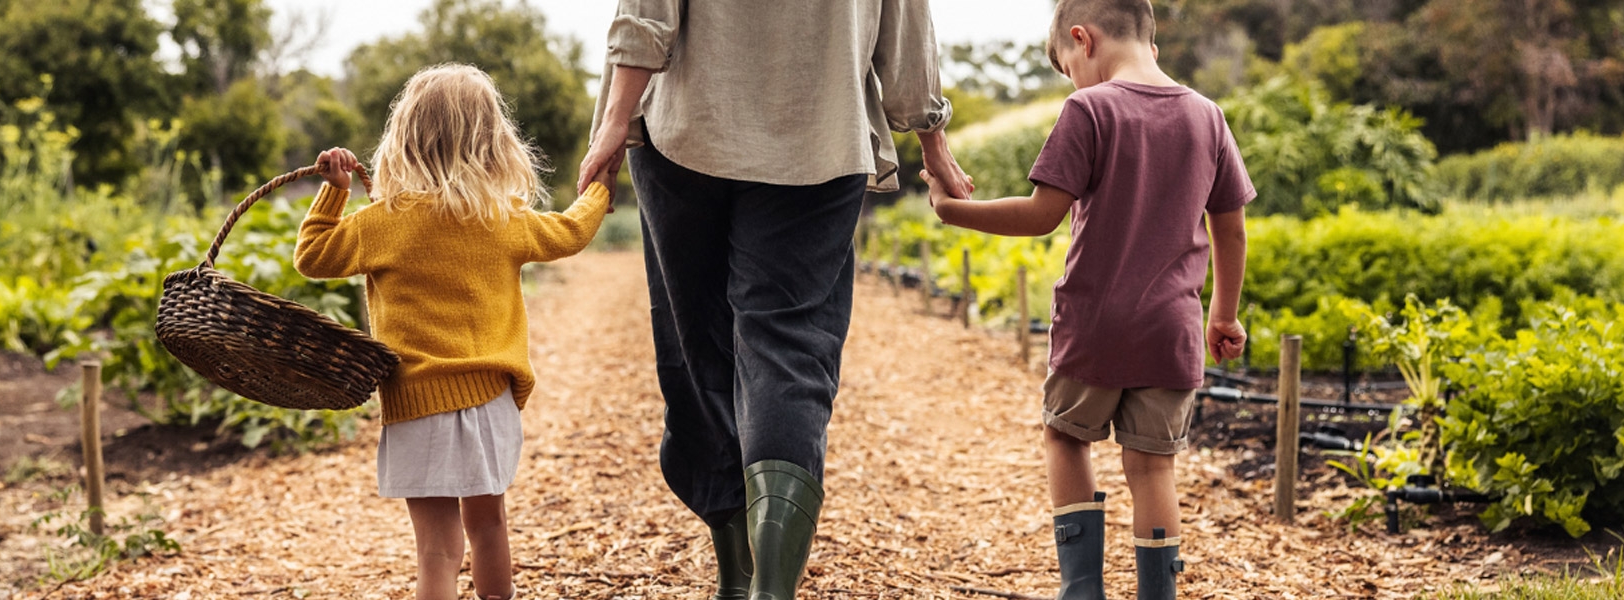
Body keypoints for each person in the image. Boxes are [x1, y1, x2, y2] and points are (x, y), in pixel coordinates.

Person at [577, 2, 973, 599]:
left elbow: (646, 11)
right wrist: (931, 138)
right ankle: (772, 588)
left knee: (699, 343)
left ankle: (737, 579)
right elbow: (907, 27)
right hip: (824, 133)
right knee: (789, 346)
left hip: (688, 127)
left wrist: (613, 120)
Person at [920, 1, 1253, 598]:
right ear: (1150, 42)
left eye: (1066, 64)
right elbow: (1230, 228)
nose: (1070, 78)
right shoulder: (1208, 116)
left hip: (1095, 324)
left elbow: (1041, 215)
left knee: (1067, 436)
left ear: (1083, 39)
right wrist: (1223, 314)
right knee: (1152, 466)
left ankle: (1082, 591)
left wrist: (952, 210)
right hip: (1172, 328)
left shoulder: (1090, 108)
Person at [294, 64, 612, 600]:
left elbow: (311, 256)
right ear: (492, 143)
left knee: (437, 549)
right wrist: (601, 183)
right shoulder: (501, 218)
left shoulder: (382, 222)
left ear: (403, 140)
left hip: (416, 403)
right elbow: (572, 231)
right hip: (490, 400)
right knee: (488, 527)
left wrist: (335, 193)